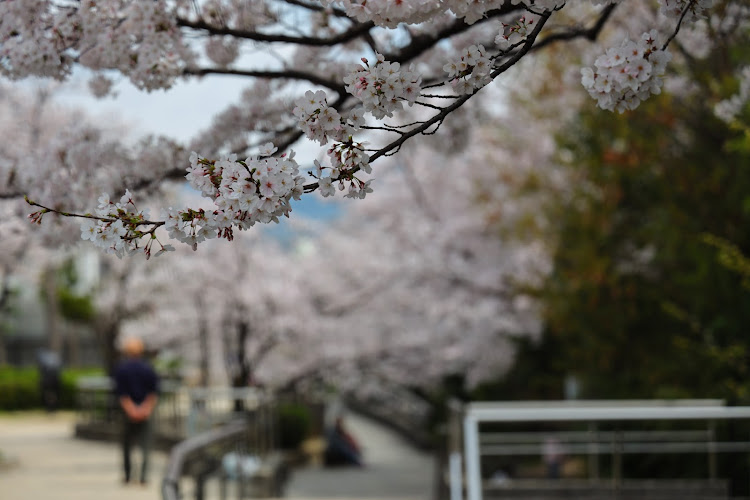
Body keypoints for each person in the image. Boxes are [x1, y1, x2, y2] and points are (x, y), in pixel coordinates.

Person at [113, 337, 160, 485]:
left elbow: (122, 394)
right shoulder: (149, 368)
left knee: (127, 445)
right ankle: (144, 477)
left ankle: (128, 476)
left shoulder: (121, 369)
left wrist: (132, 410)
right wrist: (145, 409)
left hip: (127, 412)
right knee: (146, 445)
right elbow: (154, 392)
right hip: (146, 411)